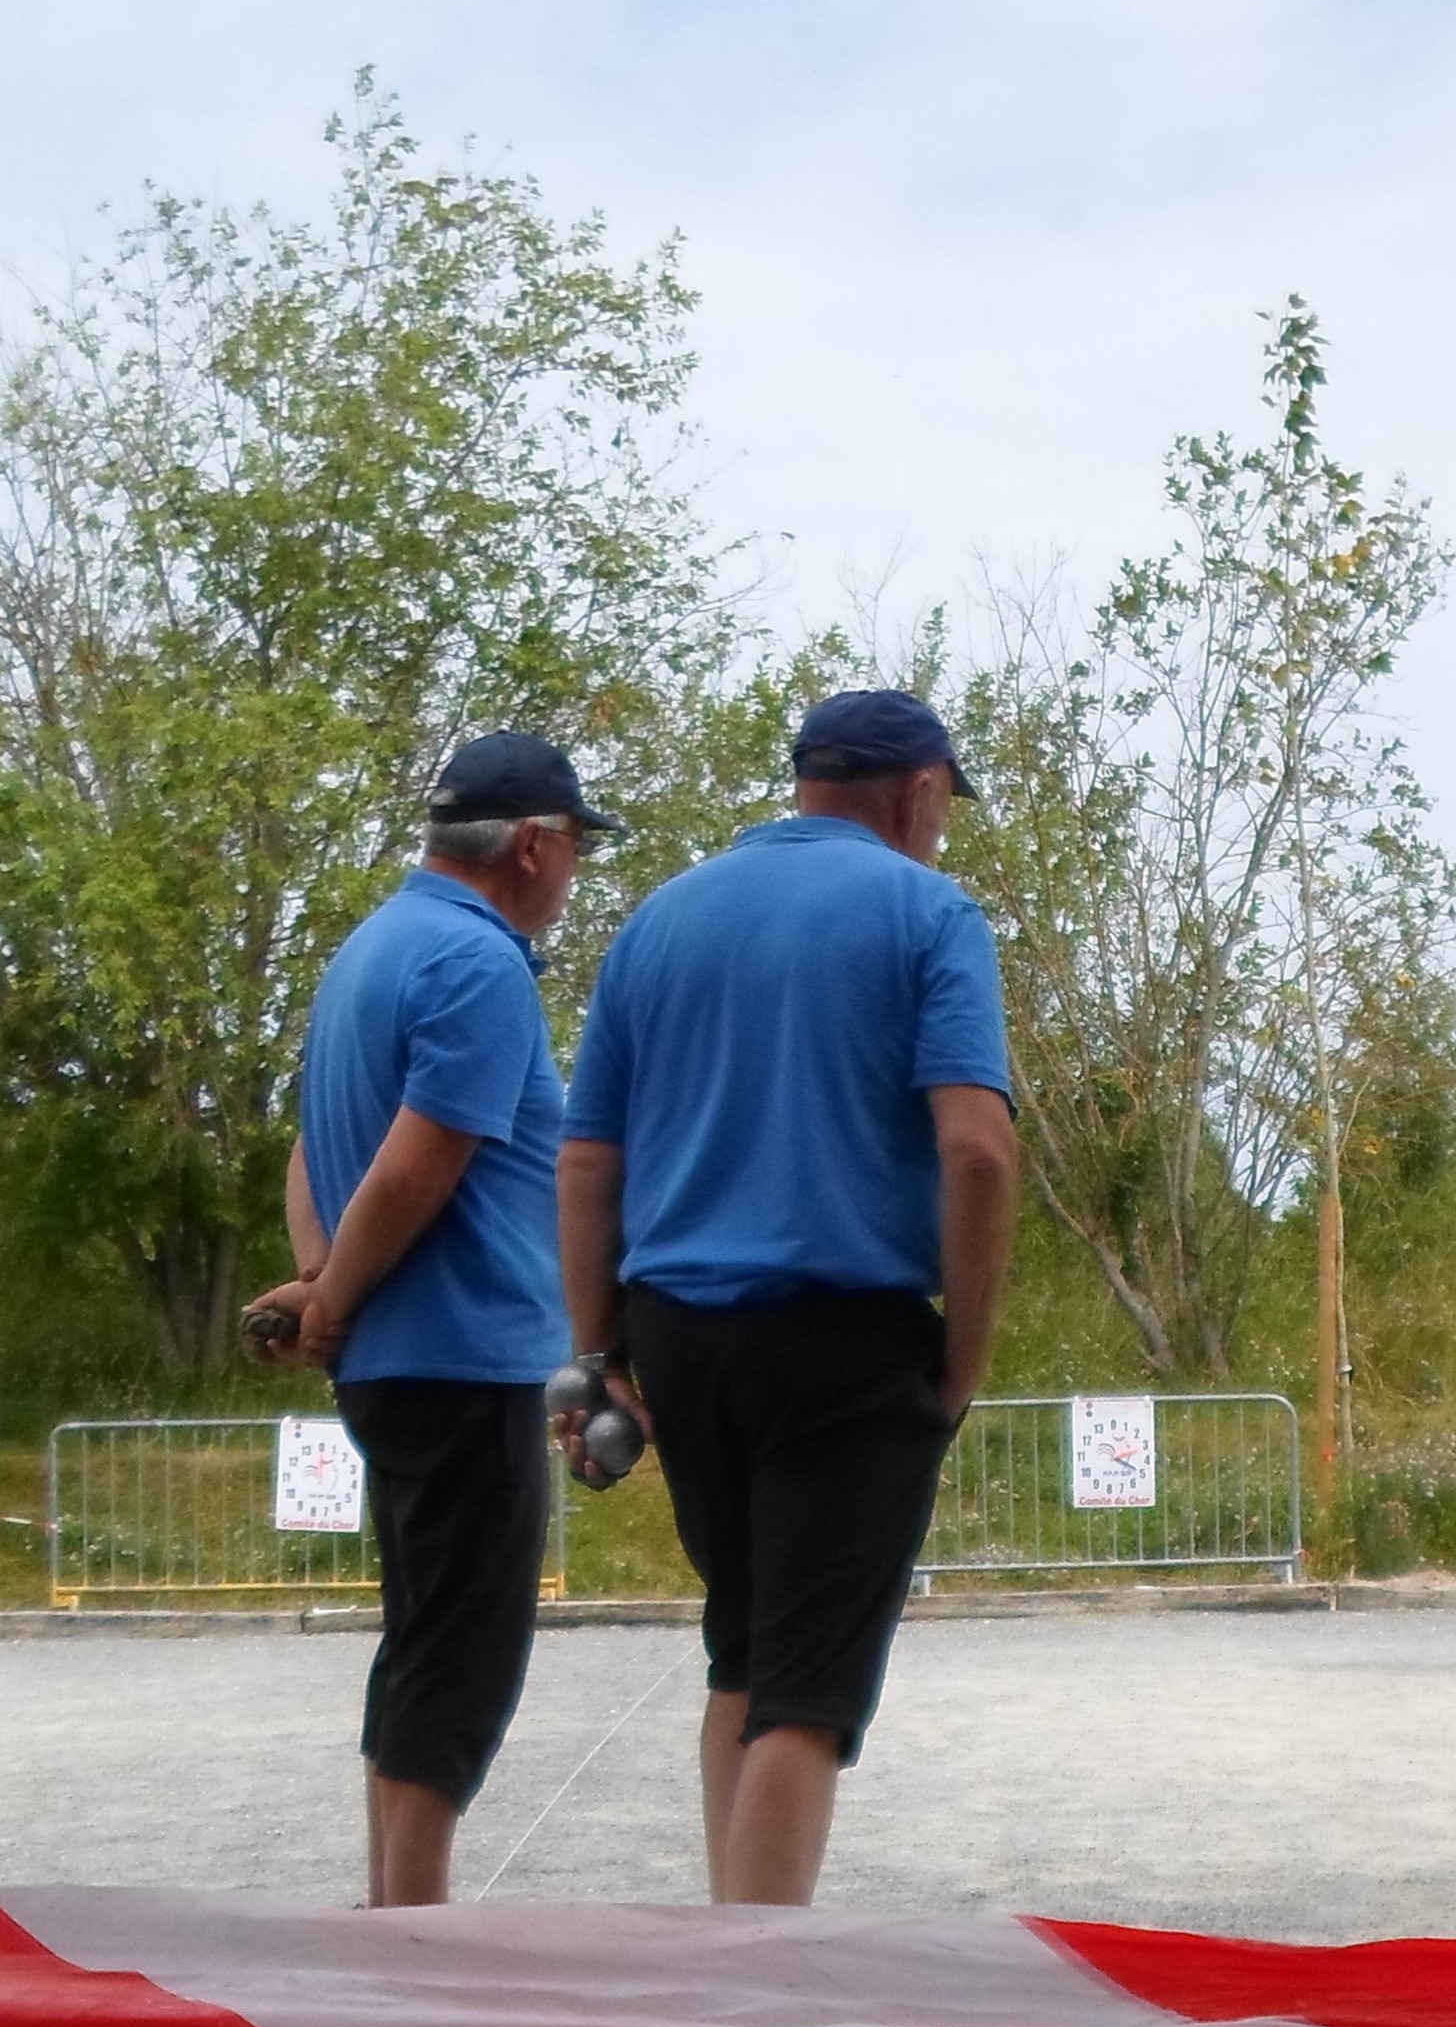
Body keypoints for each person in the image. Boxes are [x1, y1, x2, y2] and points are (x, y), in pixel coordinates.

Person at [557, 690, 1018, 1905]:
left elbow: (587, 1161)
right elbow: (976, 1150)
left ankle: (730, 1954)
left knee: (745, 1652)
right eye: (942, 808)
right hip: (843, 1336)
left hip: (677, 1334)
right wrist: (962, 1357)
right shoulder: (929, 912)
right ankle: (763, 2006)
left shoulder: (660, 919)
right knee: (809, 1692)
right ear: (918, 793)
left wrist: (595, 1354)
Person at [244, 732, 615, 1906]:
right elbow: (420, 1161)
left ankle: (393, 1904)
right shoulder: (479, 964)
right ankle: (412, 1926)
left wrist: (317, 1279)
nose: (573, 879)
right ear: (531, 845)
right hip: (464, 1355)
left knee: (422, 1636)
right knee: (465, 1652)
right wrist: (336, 1303)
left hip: (402, 1361)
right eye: (575, 851)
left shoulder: (367, 950)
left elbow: (316, 1149)